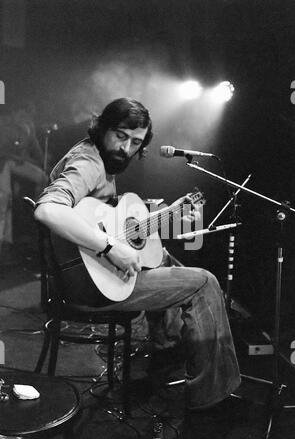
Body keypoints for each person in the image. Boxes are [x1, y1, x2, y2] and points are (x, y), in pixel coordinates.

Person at [34, 97, 241, 411]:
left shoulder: (102, 160)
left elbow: (114, 226)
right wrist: (109, 247)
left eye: (135, 142)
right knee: (204, 282)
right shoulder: (87, 163)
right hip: (89, 288)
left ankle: (163, 368)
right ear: (102, 127)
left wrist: (168, 215)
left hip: (87, 278)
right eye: (120, 136)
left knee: (162, 258)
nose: (126, 148)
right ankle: (211, 398)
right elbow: (48, 210)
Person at [0, 106, 47, 258]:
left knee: (42, 178)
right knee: (5, 197)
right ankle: (4, 242)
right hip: (4, 164)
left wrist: (41, 160)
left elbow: (38, 156)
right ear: (14, 114)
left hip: (15, 164)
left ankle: (37, 220)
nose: (24, 116)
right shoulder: (4, 126)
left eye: (27, 113)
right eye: (21, 113)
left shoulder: (29, 128)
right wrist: (14, 157)